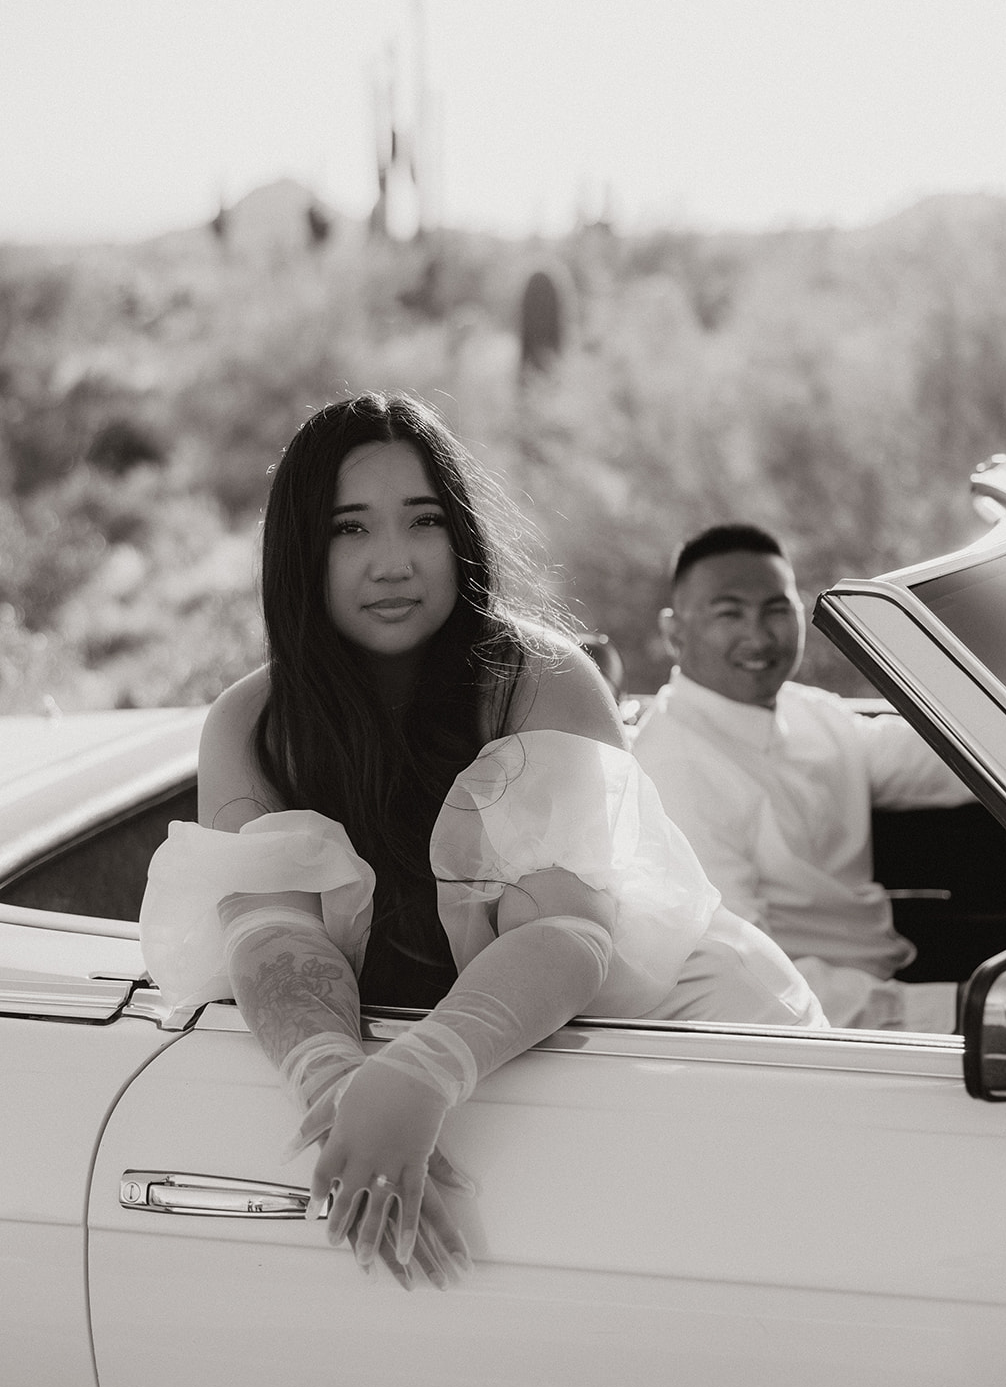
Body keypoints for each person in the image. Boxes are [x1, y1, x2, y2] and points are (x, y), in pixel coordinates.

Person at [139, 396, 824, 1293]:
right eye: (351, 529)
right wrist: (335, 1082)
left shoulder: (538, 680)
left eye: (423, 521)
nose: (394, 562)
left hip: (690, 1019)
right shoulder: (253, 721)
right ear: (301, 552)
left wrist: (419, 1075)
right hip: (535, 1062)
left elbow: (568, 930)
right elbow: (274, 933)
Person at [632, 523, 975, 1033]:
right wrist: (960, 1010)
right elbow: (751, 978)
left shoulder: (813, 714)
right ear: (673, 632)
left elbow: (942, 757)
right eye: (729, 613)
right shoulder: (672, 770)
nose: (759, 635)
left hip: (893, 973)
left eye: (776, 609)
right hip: (823, 1026)